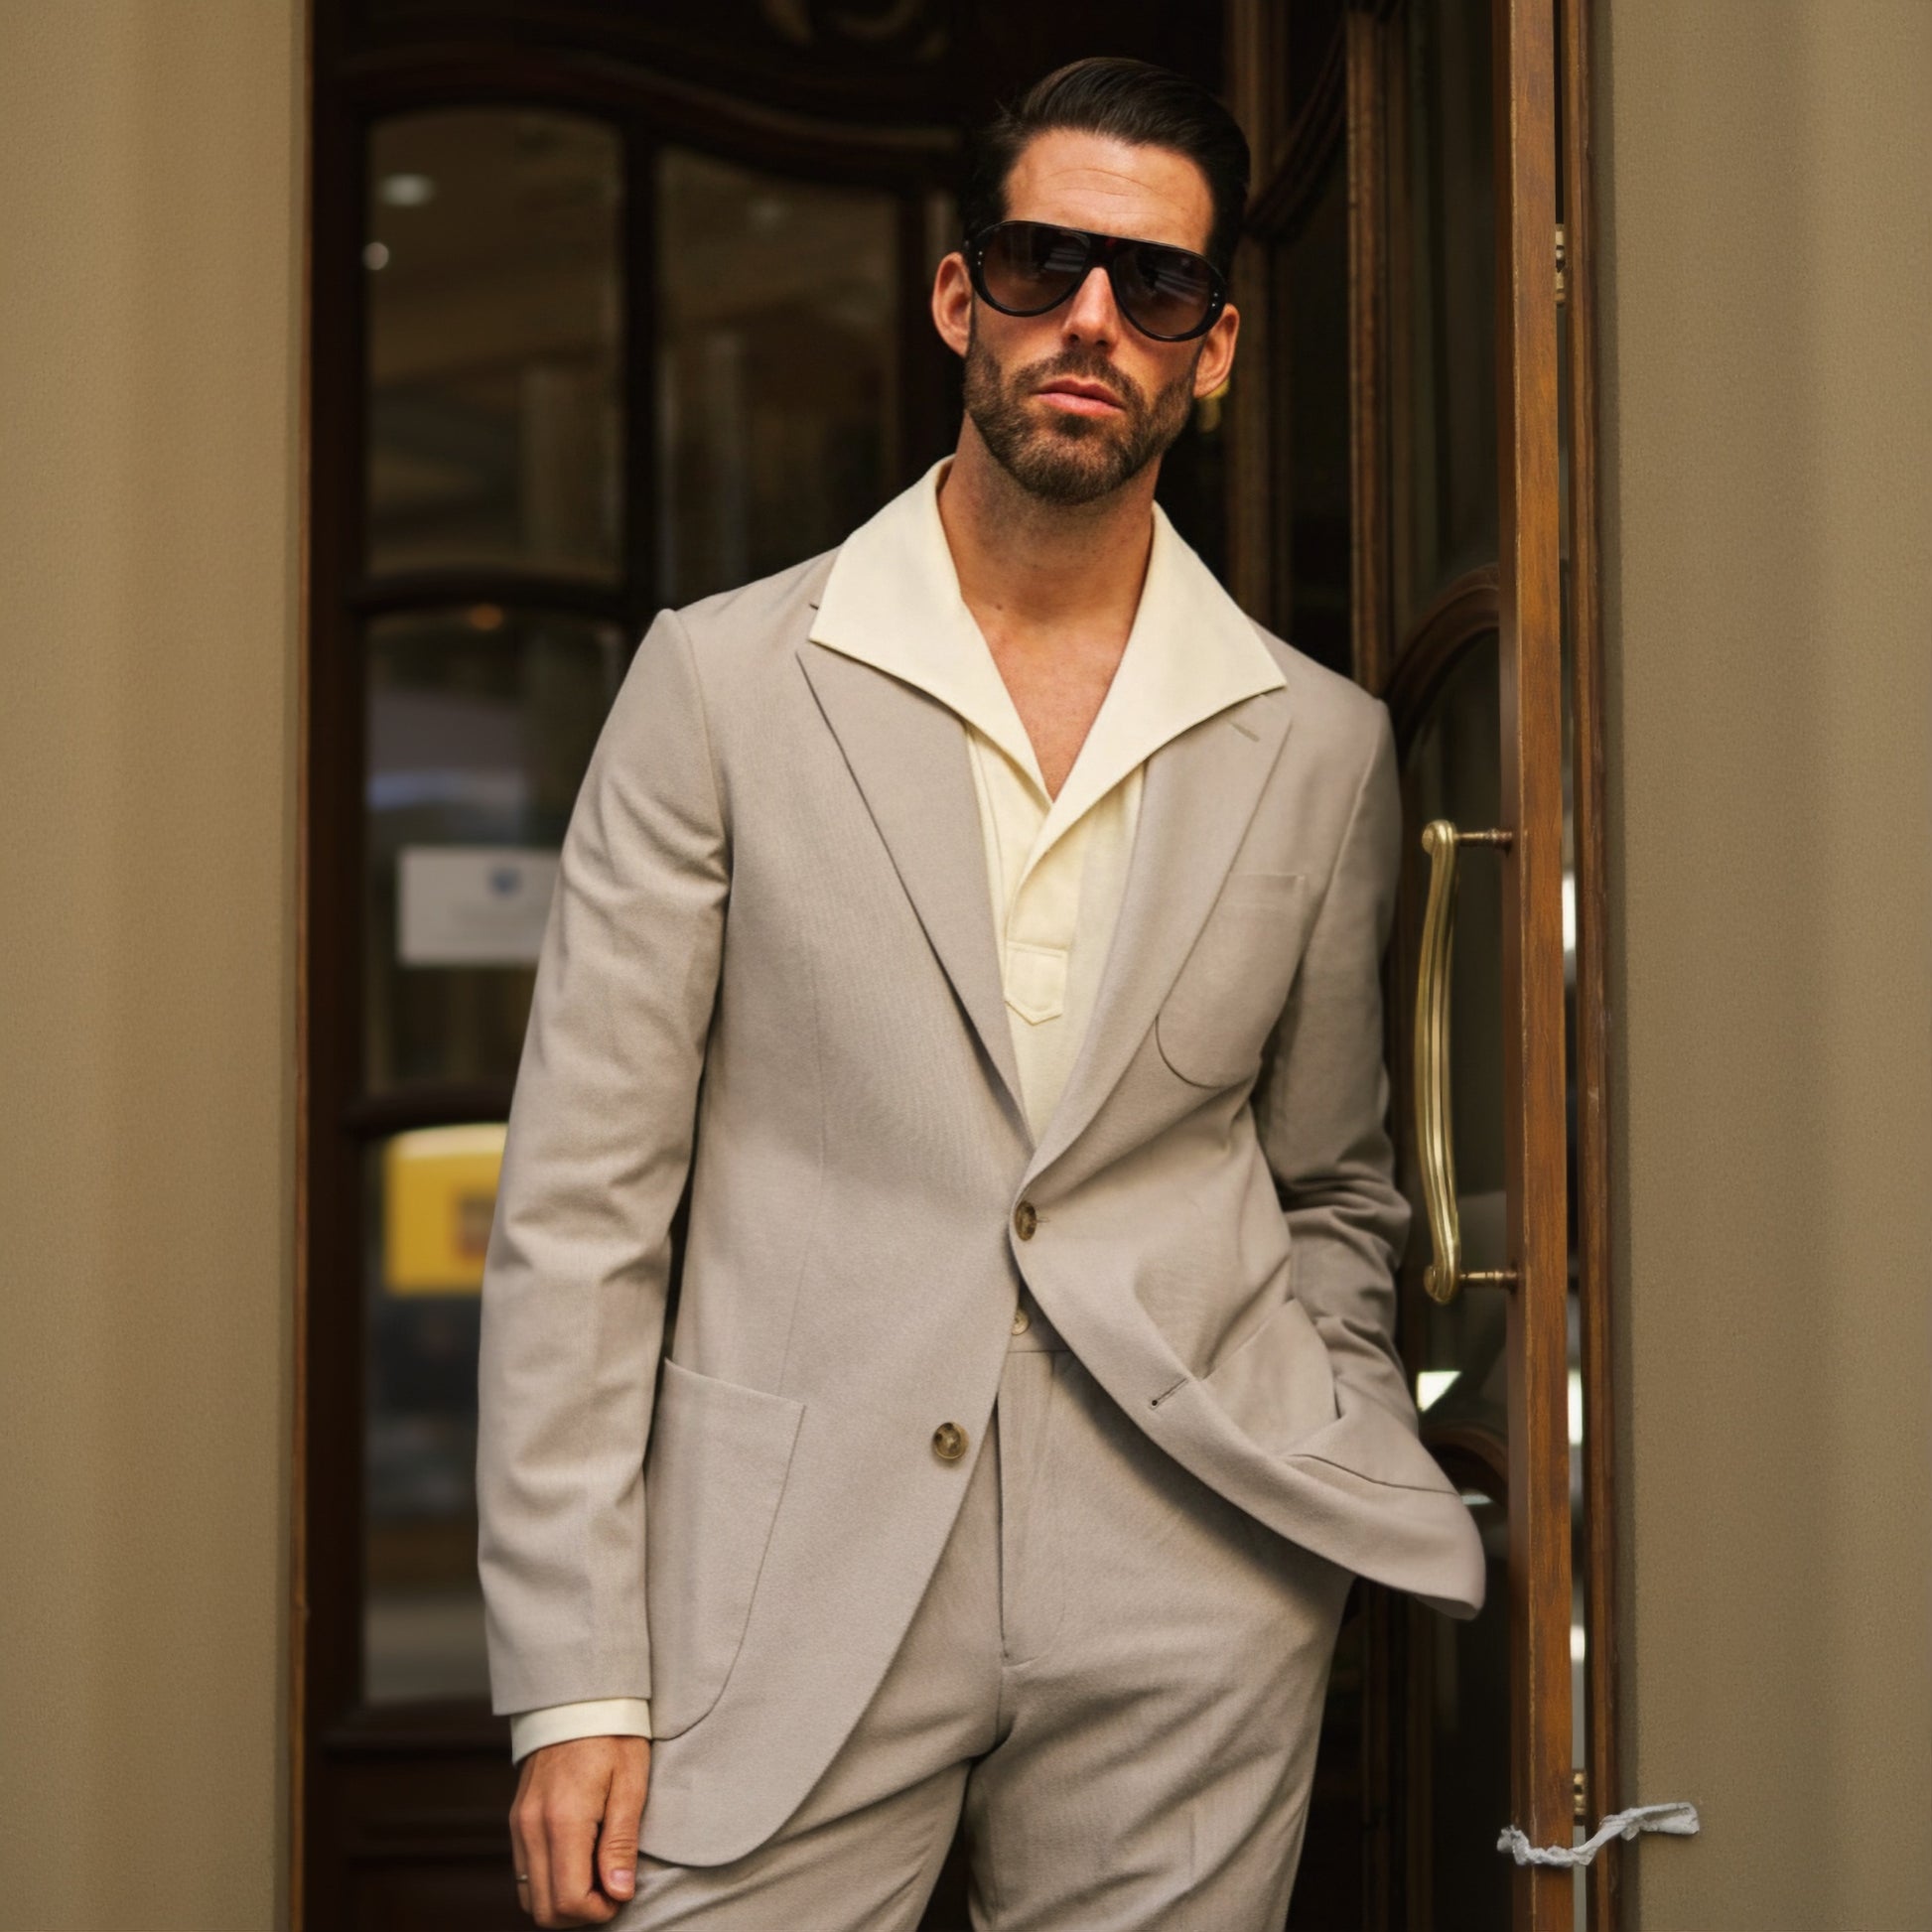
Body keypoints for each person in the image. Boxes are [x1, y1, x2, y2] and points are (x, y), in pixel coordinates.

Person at [477, 55, 1484, 1932]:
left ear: (1215, 348)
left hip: (1192, 1574)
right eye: (1042, 263)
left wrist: (1312, 1460)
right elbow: (581, 1206)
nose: (1090, 319)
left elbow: (1334, 1181)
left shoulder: (1318, 744)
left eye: (1153, 284)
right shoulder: (720, 684)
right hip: (778, 1577)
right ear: (962, 299)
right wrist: (576, 1669)